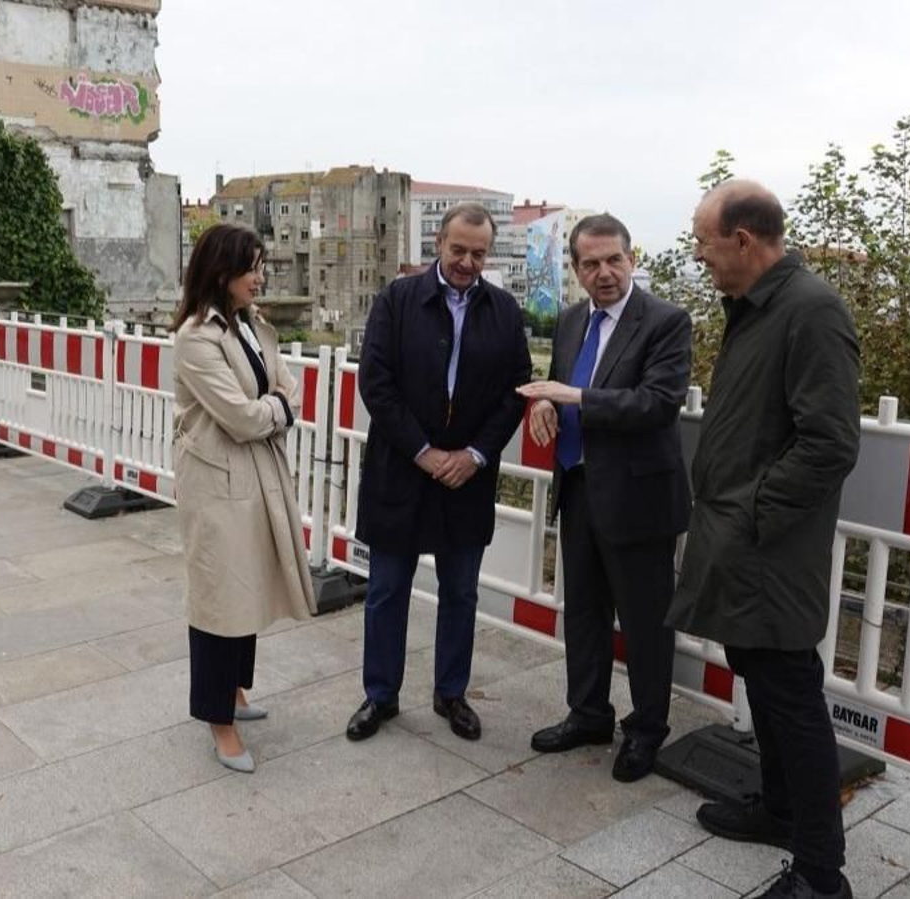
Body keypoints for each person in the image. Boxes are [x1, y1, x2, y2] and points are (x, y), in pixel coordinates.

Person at [667, 180, 861, 899]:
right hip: (746, 542)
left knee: (792, 699)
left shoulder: (811, 310)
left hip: (770, 550)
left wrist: (754, 512)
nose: (700, 257)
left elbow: (830, 442)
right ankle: (779, 810)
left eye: (704, 243)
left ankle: (821, 874)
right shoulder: (760, 308)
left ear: (743, 240)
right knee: (763, 680)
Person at [515, 213, 692, 783]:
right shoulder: (572, 320)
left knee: (644, 623)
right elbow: (561, 384)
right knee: (585, 613)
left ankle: (646, 730)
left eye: (614, 260)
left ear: (631, 258)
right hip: (578, 486)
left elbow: (657, 403)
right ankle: (588, 714)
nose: (605, 273)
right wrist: (547, 403)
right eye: (591, 264)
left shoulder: (665, 321)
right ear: (576, 269)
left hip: (638, 496)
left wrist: (573, 396)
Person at [346, 201, 531, 744]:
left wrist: (475, 454)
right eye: (459, 250)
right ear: (437, 246)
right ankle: (380, 694)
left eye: (479, 253)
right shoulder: (398, 300)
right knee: (386, 591)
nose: (468, 262)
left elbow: (516, 390)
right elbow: (375, 382)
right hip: (401, 471)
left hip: (466, 479)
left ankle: (452, 692)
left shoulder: (503, 310)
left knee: (461, 593)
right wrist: (423, 450)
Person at [171, 222, 315, 773]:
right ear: (221, 272)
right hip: (216, 482)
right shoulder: (196, 337)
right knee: (219, 595)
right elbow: (242, 416)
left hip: (254, 474)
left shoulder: (249, 323)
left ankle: (234, 690)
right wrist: (278, 409)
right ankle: (219, 721)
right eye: (251, 268)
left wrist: (274, 406)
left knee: (246, 585)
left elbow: (287, 386)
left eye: (261, 267)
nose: (260, 278)